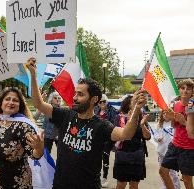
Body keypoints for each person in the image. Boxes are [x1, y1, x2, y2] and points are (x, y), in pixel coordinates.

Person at [26, 57, 147, 189]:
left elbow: (126, 134)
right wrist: (33, 74)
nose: (74, 97)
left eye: (80, 94)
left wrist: (136, 109)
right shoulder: (65, 115)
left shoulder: (102, 126)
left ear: (94, 99)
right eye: (75, 93)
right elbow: (39, 104)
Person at [0, 87, 44, 188]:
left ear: (20, 105)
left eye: (15, 100)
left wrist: (39, 148)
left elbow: (35, 155)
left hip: (15, 182)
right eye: (7, 99)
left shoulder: (23, 126)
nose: (11, 102)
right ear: (1, 103)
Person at [160, 79, 194, 189]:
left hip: (189, 148)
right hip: (175, 144)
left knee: (187, 179)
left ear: (192, 91)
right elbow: (174, 126)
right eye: (182, 88)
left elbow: (191, 131)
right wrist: (171, 118)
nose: (185, 91)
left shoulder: (192, 105)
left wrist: (183, 121)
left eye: (188, 89)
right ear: (179, 90)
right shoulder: (177, 105)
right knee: (163, 171)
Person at [113, 95, 151, 189]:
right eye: (134, 101)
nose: (137, 103)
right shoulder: (119, 117)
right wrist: (129, 121)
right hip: (122, 155)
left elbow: (147, 137)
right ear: (127, 104)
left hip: (137, 155)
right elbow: (117, 136)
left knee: (134, 185)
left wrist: (142, 125)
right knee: (121, 184)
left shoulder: (141, 116)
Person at [94, 94, 118, 187]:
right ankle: (97, 176)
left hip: (107, 138)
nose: (102, 103)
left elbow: (113, 123)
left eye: (104, 101)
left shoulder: (111, 110)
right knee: (96, 157)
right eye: (100, 102)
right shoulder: (96, 110)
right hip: (97, 138)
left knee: (105, 157)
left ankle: (104, 177)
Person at [154, 111, 180, 189]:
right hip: (161, 152)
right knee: (163, 172)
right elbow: (155, 135)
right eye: (164, 113)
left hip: (171, 153)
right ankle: (166, 186)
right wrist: (158, 138)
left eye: (167, 113)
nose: (165, 115)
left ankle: (176, 186)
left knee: (173, 172)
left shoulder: (174, 124)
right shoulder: (159, 125)